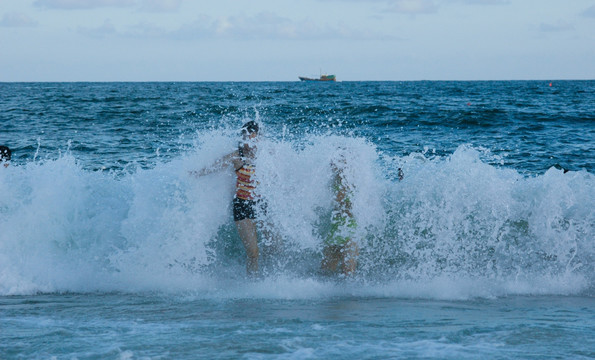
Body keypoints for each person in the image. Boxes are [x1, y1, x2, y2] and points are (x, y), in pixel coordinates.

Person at [190, 121, 263, 275]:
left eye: (253, 137)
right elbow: (213, 167)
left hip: (262, 205)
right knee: (253, 252)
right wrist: (194, 174)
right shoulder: (236, 156)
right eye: (246, 137)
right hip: (243, 206)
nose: (249, 141)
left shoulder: (266, 156)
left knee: (276, 246)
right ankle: (253, 286)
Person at [321, 153, 359, 276]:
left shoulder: (351, 180)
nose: (333, 164)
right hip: (335, 229)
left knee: (348, 271)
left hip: (350, 230)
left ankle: (351, 293)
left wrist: (343, 206)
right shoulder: (332, 181)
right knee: (326, 271)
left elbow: (352, 207)